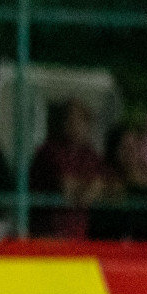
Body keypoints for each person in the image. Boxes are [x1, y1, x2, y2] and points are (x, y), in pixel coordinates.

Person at [30, 98, 111, 239]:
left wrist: (98, 186)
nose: (74, 125)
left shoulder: (90, 154)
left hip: (79, 236)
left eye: (81, 120)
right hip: (48, 235)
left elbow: (111, 186)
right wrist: (93, 186)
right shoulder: (49, 151)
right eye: (69, 119)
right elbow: (66, 187)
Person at [92, 124, 147, 242]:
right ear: (115, 152)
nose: (131, 151)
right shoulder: (109, 187)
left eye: (135, 145)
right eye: (125, 147)